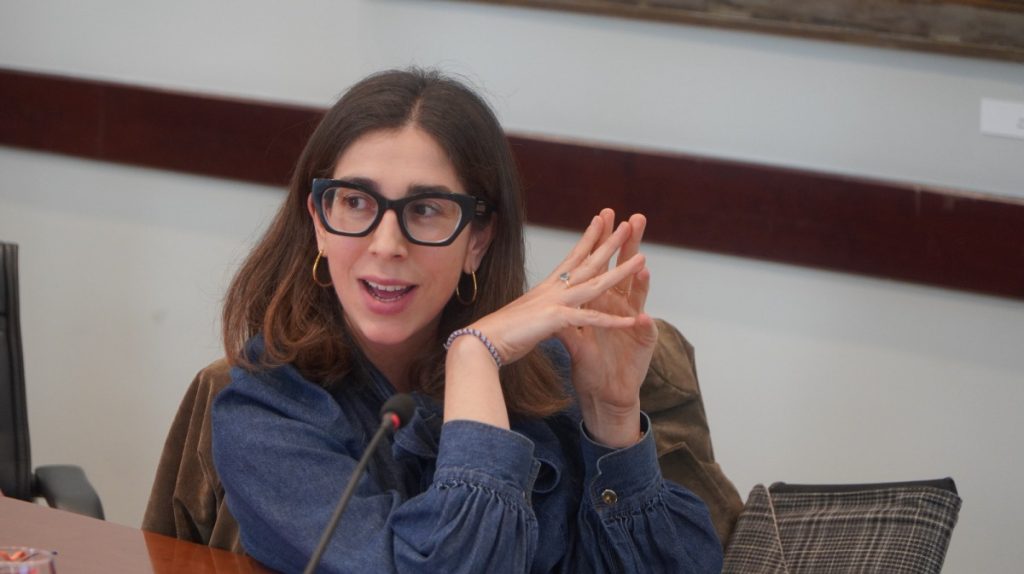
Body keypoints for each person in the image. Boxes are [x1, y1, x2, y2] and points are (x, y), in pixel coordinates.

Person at [211, 68, 723, 573]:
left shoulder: (552, 370)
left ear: (477, 240)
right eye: (355, 202)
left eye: (425, 209)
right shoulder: (266, 415)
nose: (386, 245)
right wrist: (473, 356)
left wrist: (612, 420)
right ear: (320, 223)